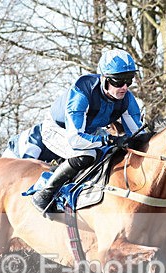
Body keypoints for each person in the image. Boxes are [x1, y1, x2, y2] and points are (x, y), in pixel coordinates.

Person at [9, 49, 143, 213]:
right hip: (57, 129)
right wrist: (108, 140)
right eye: (118, 81)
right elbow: (75, 139)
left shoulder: (127, 99)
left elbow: (139, 135)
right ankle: (44, 193)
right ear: (104, 78)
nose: (124, 87)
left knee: (111, 153)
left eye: (128, 81)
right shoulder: (82, 90)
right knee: (86, 154)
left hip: (89, 133)